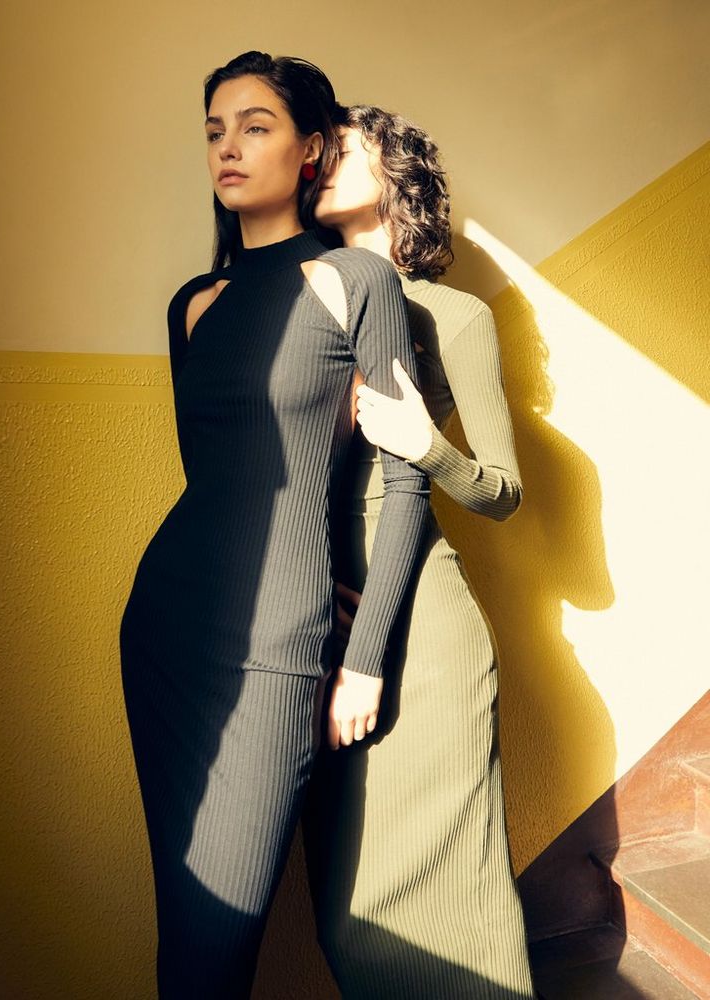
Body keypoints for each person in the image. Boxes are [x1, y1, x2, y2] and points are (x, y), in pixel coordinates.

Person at [118, 58, 430, 999]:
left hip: (279, 653)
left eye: (255, 125)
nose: (228, 146)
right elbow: (218, 479)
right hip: (165, 633)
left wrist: (365, 656)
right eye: (215, 129)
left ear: (311, 149)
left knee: (217, 950)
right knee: (187, 936)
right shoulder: (194, 304)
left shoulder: (355, 280)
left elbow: (408, 481)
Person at [302, 105, 537, 999]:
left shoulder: (456, 315)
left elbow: (505, 493)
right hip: (332, 618)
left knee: (454, 903)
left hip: (427, 639)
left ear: (395, 171)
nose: (320, 163)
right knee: (347, 916)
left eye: (344, 150)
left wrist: (424, 445)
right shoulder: (307, 295)